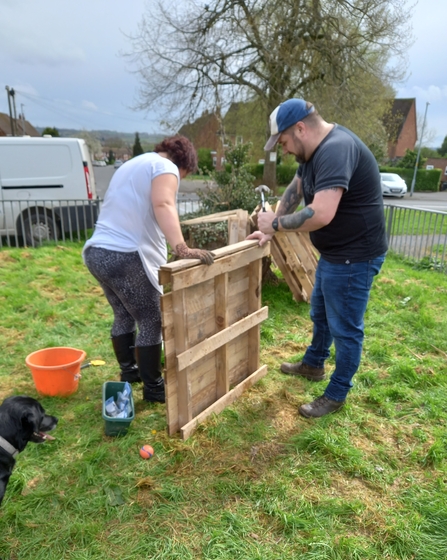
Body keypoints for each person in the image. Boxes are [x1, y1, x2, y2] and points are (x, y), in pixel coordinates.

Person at [248, 99, 387, 418]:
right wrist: (270, 230)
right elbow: (295, 190)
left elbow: (322, 212)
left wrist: (277, 224)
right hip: (335, 252)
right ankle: (313, 364)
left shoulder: (336, 149)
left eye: (283, 142)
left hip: (356, 256)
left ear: (300, 128)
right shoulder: (311, 153)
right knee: (321, 312)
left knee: (346, 328)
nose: (283, 150)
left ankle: (337, 393)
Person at [83, 135, 214, 403]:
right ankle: (154, 389)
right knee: (152, 319)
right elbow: (163, 204)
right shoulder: (165, 167)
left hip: (97, 252)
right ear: (184, 164)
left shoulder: (135, 164)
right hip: (124, 254)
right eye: (185, 175)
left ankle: (129, 374)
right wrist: (182, 249)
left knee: (123, 313)